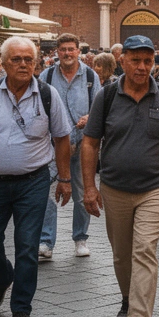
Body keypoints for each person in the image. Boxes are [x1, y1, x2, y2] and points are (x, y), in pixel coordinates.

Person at [0, 37, 73, 317]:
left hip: (33, 181)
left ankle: (21, 307)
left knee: (27, 245)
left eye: (28, 60)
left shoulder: (48, 95)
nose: (23, 65)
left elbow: (62, 139)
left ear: (36, 63)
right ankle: (1, 277)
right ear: (3, 63)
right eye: (16, 59)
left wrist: (65, 179)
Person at [81, 35, 159, 317]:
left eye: (148, 61)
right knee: (121, 254)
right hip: (115, 188)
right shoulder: (107, 96)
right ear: (122, 60)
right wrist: (89, 187)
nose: (142, 67)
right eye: (136, 60)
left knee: (144, 250)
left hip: (155, 187)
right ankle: (128, 296)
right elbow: (90, 142)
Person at [39, 33, 101, 259]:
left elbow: (99, 109)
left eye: (71, 49)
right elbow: (38, 108)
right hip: (54, 146)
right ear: (57, 52)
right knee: (46, 193)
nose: (67, 53)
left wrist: (89, 117)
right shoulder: (46, 76)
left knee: (83, 191)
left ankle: (81, 238)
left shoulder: (90, 77)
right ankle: (46, 241)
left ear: (78, 51)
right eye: (63, 49)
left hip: (83, 143)